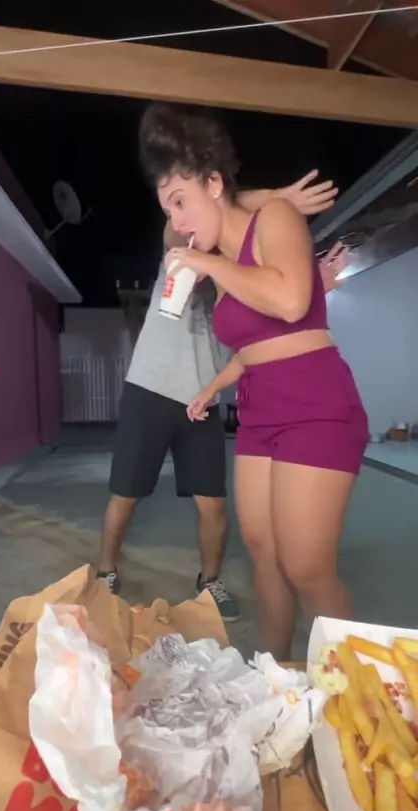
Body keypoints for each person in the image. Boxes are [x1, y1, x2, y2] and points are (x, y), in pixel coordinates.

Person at [139, 102, 368, 657]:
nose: (177, 222)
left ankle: (365, 690)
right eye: (168, 208)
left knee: (306, 566)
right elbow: (253, 347)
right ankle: (278, 670)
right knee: (263, 552)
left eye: (181, 202)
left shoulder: (276, 221)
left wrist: (217, 257)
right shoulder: (219, 256)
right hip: (259, 410)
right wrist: (212, 387)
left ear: (215, 182)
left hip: (316, 404)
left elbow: (289, 302)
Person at [97, 144, 341, 624]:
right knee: (126, 493)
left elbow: (279, 312)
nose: (180, 218)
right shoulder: (180, 251)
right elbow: (203, 204)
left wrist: (316, 286)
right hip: (149, 389)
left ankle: (210, 581)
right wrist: (277, 197)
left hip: (202, 398)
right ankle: (105, 569)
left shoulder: (239, 277)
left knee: (213, 505)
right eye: (175, 207)